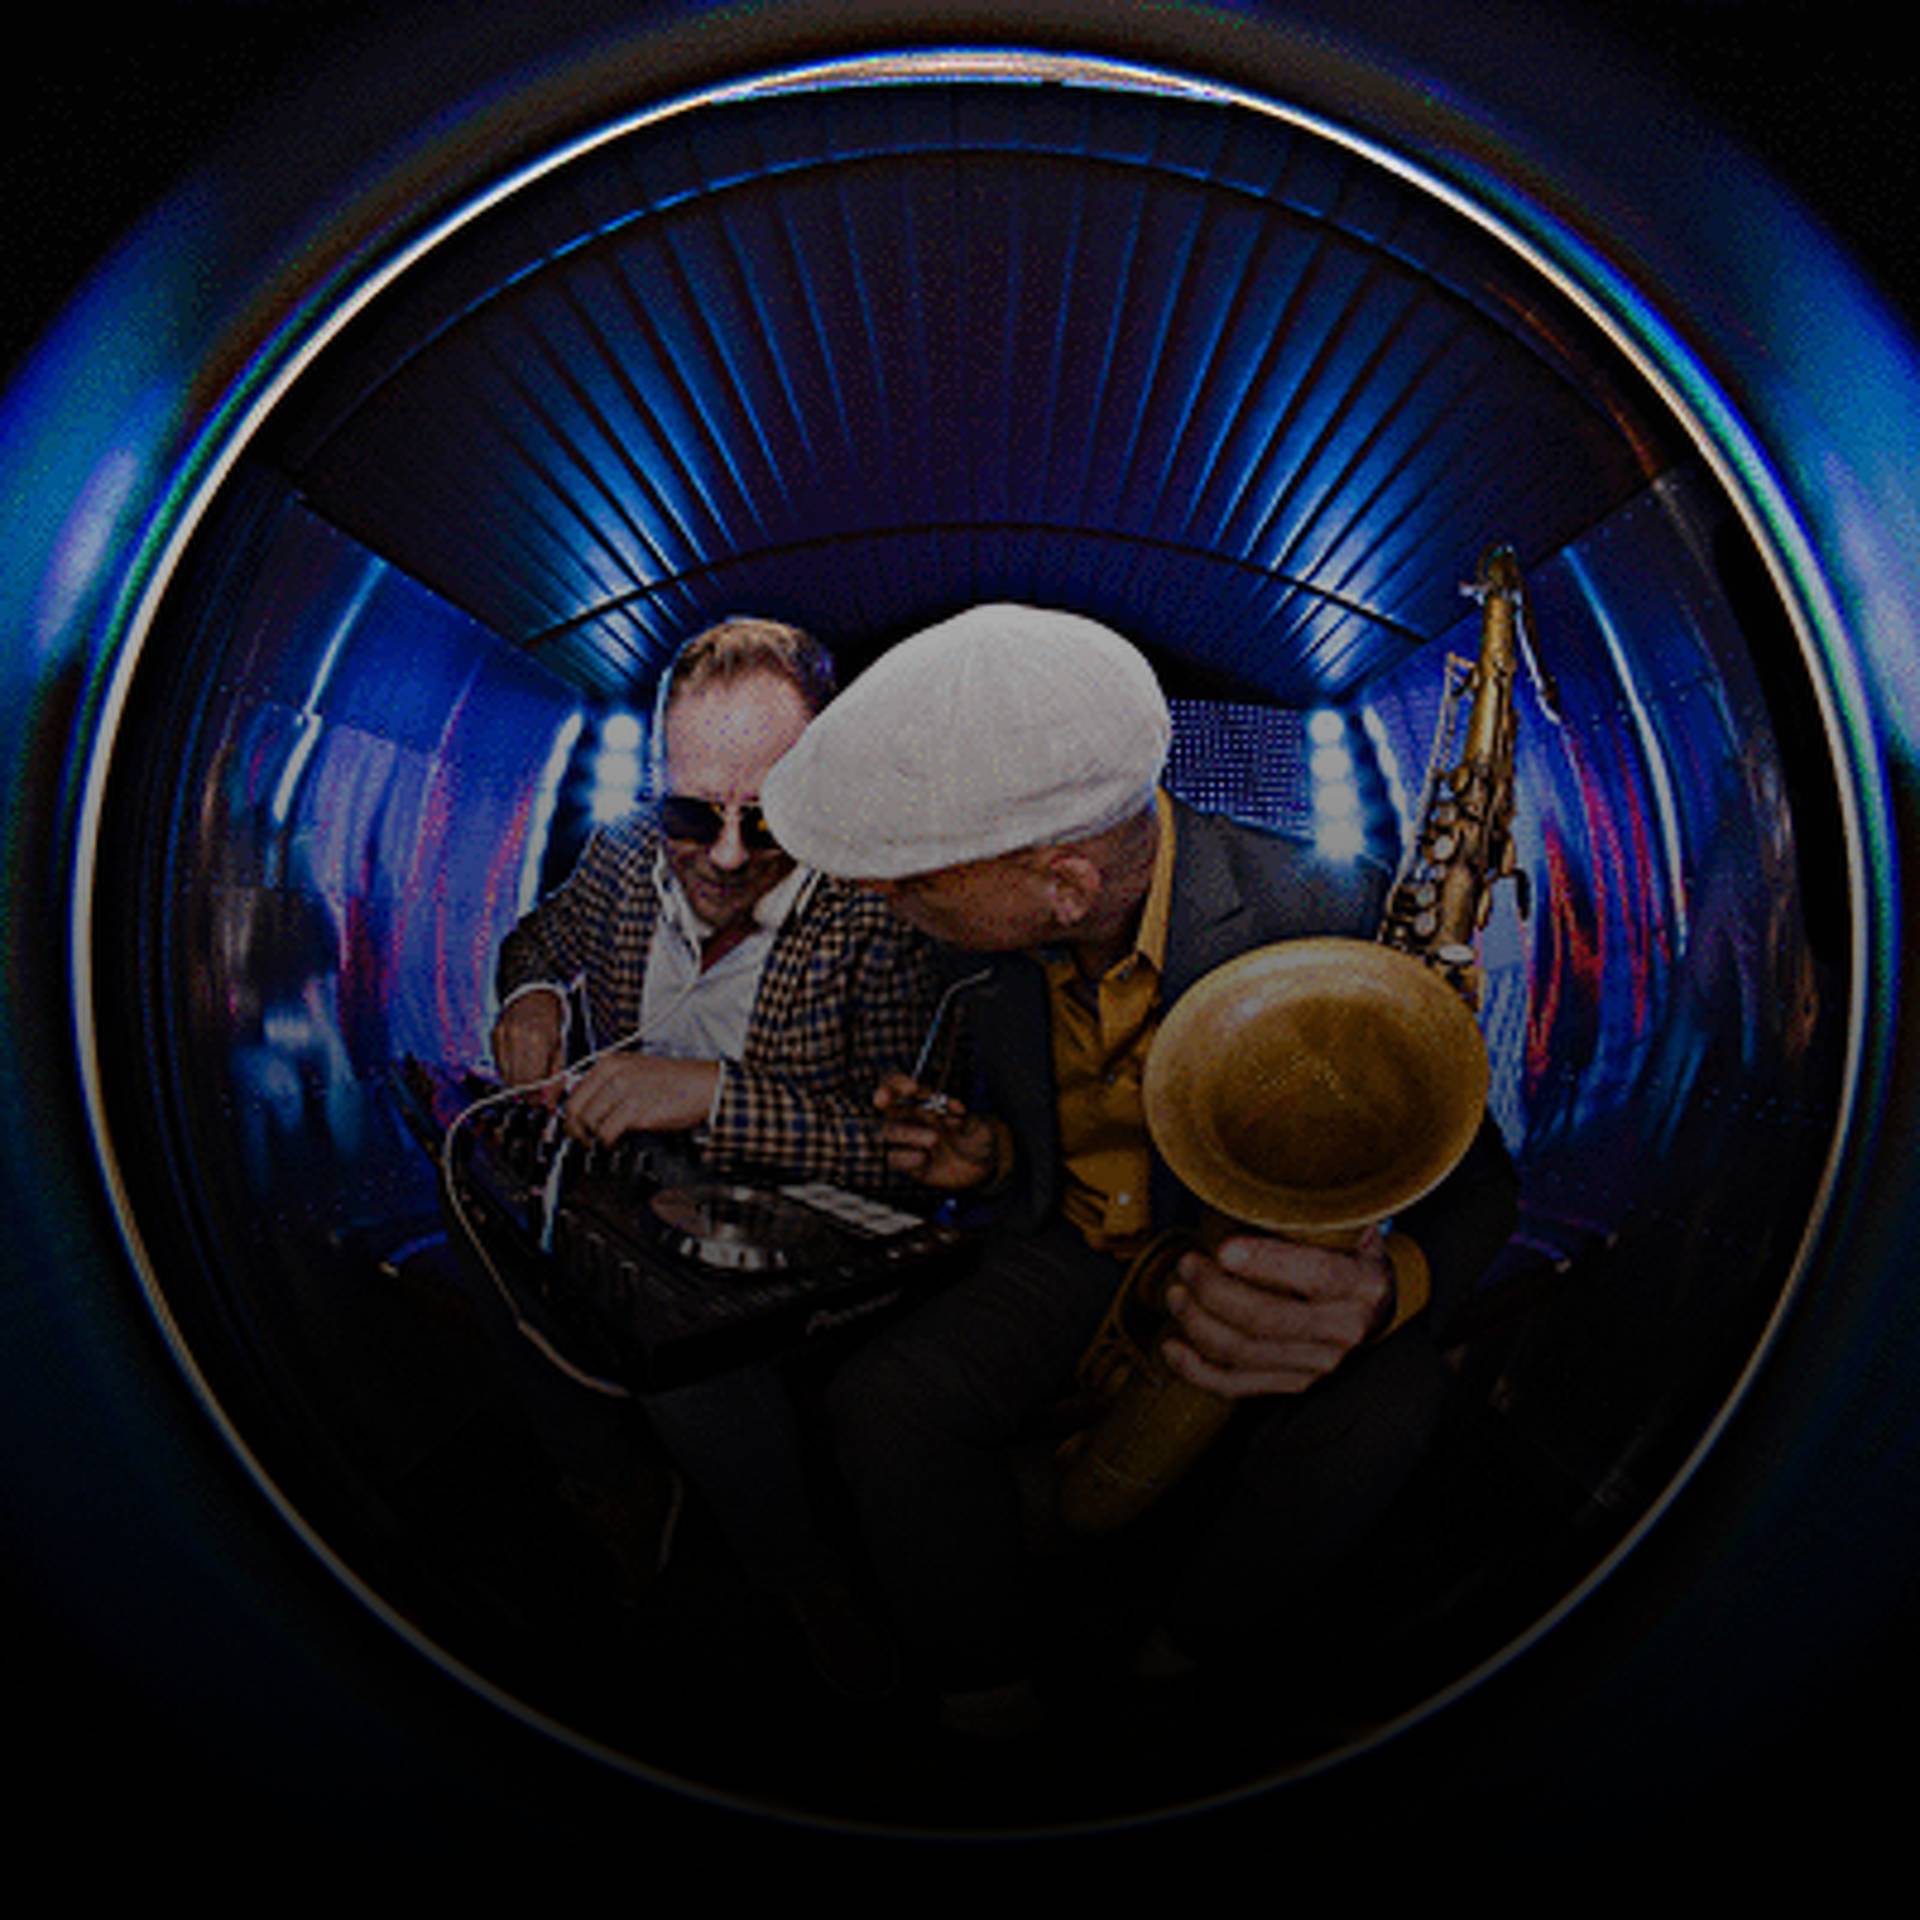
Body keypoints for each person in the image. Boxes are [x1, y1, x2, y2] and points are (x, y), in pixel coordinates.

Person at [758, 601, 1518, 1739]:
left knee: (1384, 1410)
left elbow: (1479, 1189)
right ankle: (986, 1704)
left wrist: (1378, 1295)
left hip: (1250, 1262)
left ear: (1064, 883)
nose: (884, 900)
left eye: (913, 882)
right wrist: (989, 1157)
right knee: (885, 1404)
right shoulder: (981, 943)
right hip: (1068, 1252)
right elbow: (1031, 1125)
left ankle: (1183, 1671)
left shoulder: (1330, 913)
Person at [487, 615, 942, 1695]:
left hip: (784, 1242)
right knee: (506, 1254)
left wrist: (712, 1095)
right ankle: (619, 1491)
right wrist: (533, 998)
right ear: (658, 784)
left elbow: (906, 1152)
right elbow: (538, 940)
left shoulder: (883, 916)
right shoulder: (619, 855)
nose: (728, 856)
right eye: (695, 813)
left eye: (768, 815)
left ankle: (798, 1575)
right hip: (616, 1192)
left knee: (684, 1338)